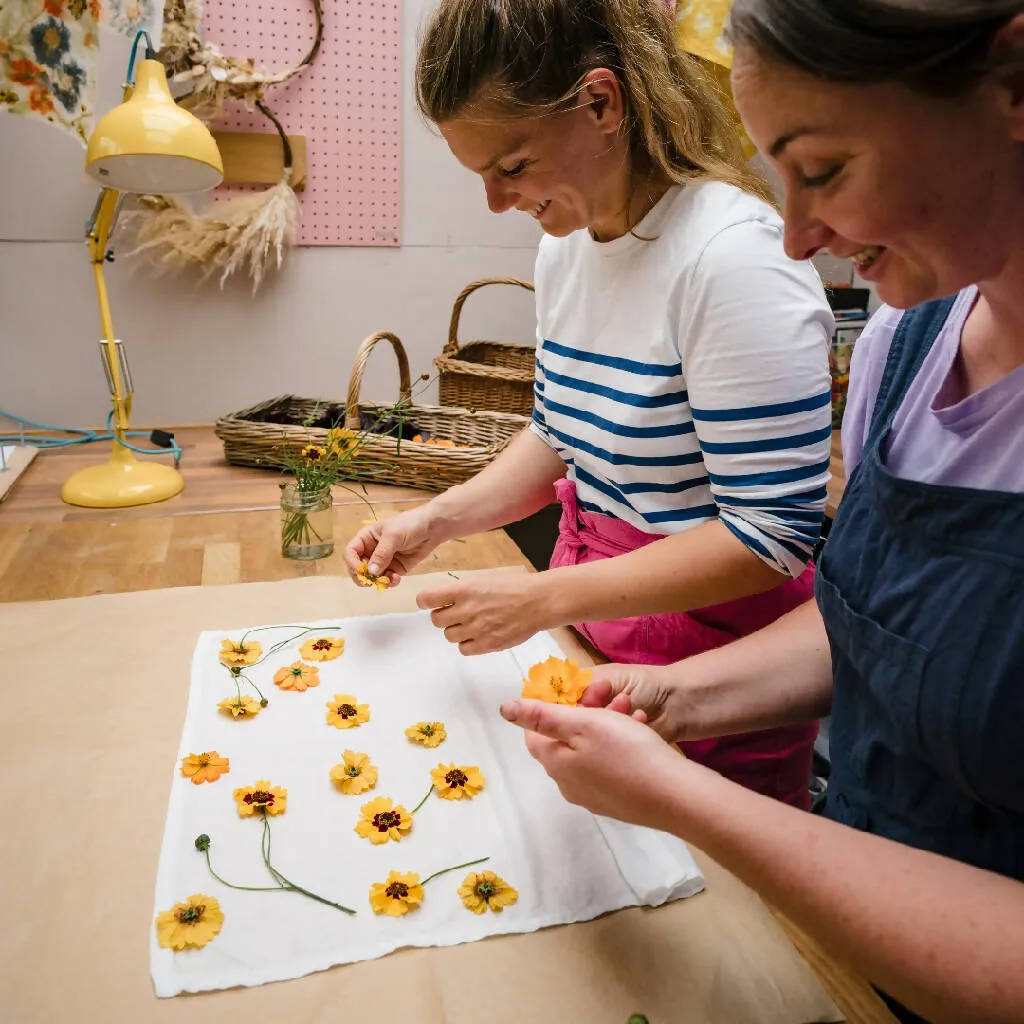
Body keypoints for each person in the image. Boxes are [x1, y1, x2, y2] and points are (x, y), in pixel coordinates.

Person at [498, 3, 1024, 1022]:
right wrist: (667, 701)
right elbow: (872, 621)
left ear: (1012, 84)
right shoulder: (904, 342)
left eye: (822, 169)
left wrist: (687, 797)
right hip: (844, 950)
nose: (795, 234)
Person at [346, 0, 835, 809]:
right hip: (595, 625)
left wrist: (541, 597)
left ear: (601, 103)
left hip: (711, 660)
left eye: (511, 165)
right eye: (481, 176)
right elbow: (560, 433)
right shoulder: (566, 250)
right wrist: (437, 520)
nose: (496, 203)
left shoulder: (732, 263)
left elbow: (769, 538)